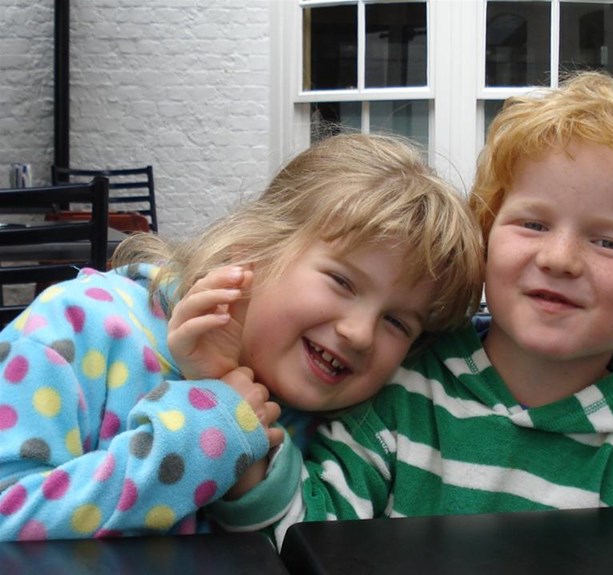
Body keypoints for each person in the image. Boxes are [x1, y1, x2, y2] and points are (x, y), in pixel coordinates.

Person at [206, 71, 613, 547]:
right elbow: (306, 542)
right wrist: (246, 453)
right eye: (533, 224)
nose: (559, 258)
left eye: (608, 242)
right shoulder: (404, 387)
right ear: (485, 244)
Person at [0, 133, 484, 541]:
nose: (359, 334)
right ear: (253, 247)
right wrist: (212, 423)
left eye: (397, 322)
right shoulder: (80, 326)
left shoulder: (342, 421)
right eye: (342, 281)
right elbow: (10, 516)